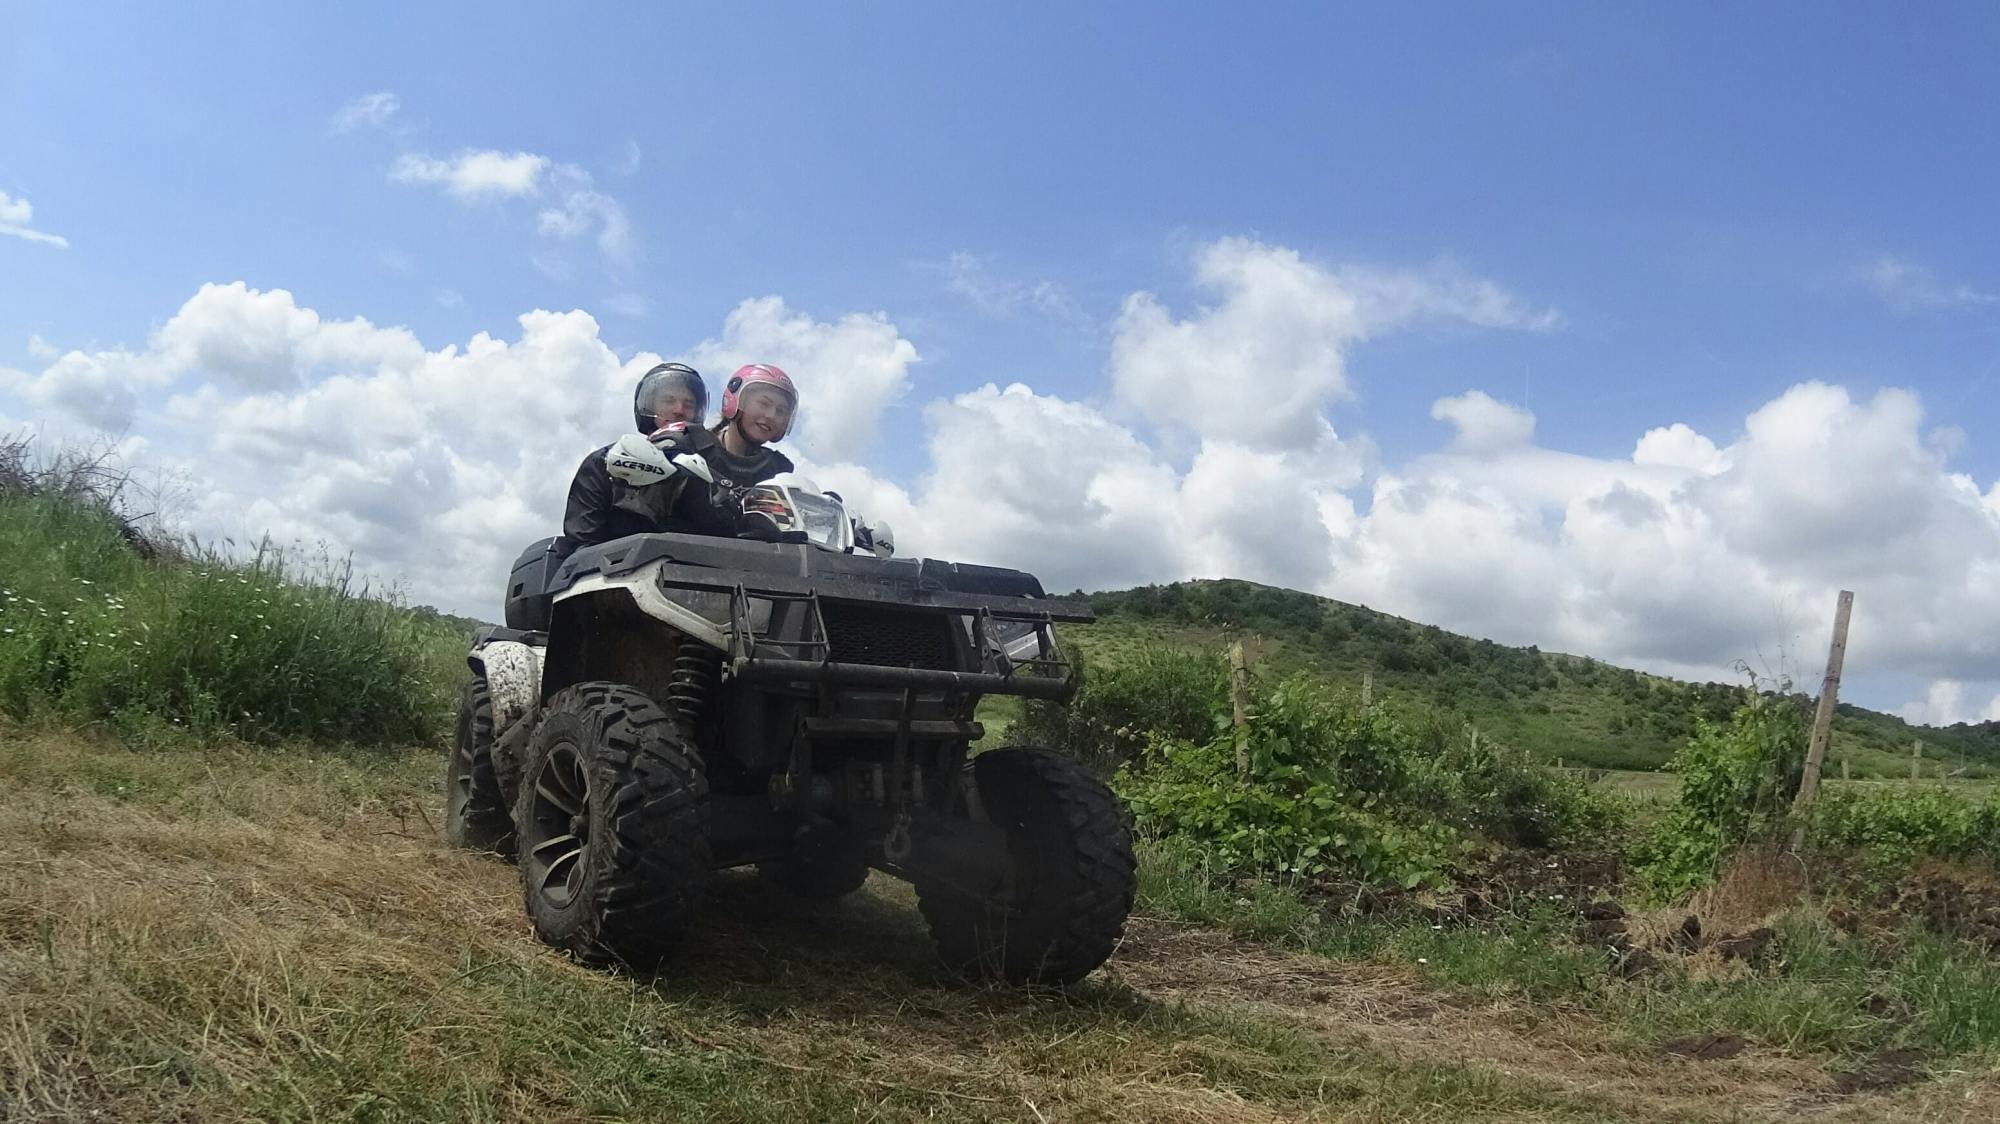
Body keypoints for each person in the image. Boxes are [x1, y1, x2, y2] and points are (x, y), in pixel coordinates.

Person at [562, 362, 798, 546]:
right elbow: (583, 543)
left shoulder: (779, 471)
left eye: (688, 404)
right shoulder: (607, 460)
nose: (679, 410)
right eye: (669, 400)